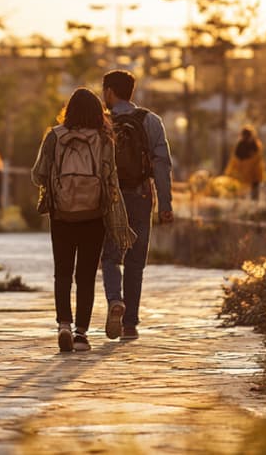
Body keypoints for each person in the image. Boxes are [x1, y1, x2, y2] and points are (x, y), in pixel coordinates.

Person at [32, 88, 136, 353]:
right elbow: (111, 178)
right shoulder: (104, 139)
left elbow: (38, 174)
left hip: (62, 215)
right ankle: (80, 334)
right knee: (86, 275)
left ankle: (63, 325)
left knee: (63, 273)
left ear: (69, 110)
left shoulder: (54, 136)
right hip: (94, 215)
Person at [100, 69, 174, 341]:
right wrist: (165, 204)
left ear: (109, 91)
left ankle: (114, 300)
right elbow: (162, 164)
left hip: (111, 198)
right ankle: (130, 324)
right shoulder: (151, 120)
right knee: (135, 261)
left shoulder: (102, 122)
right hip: (142, 196)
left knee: (109, 256)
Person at [226, 126, 266, 200]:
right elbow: (236, 157)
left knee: (254, 188)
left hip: (254, 172)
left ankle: (253, 200)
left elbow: (258, 157)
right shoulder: (241, 144)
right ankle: (246, 200)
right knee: (243, 188)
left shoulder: (255, 144)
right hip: (245, 170)